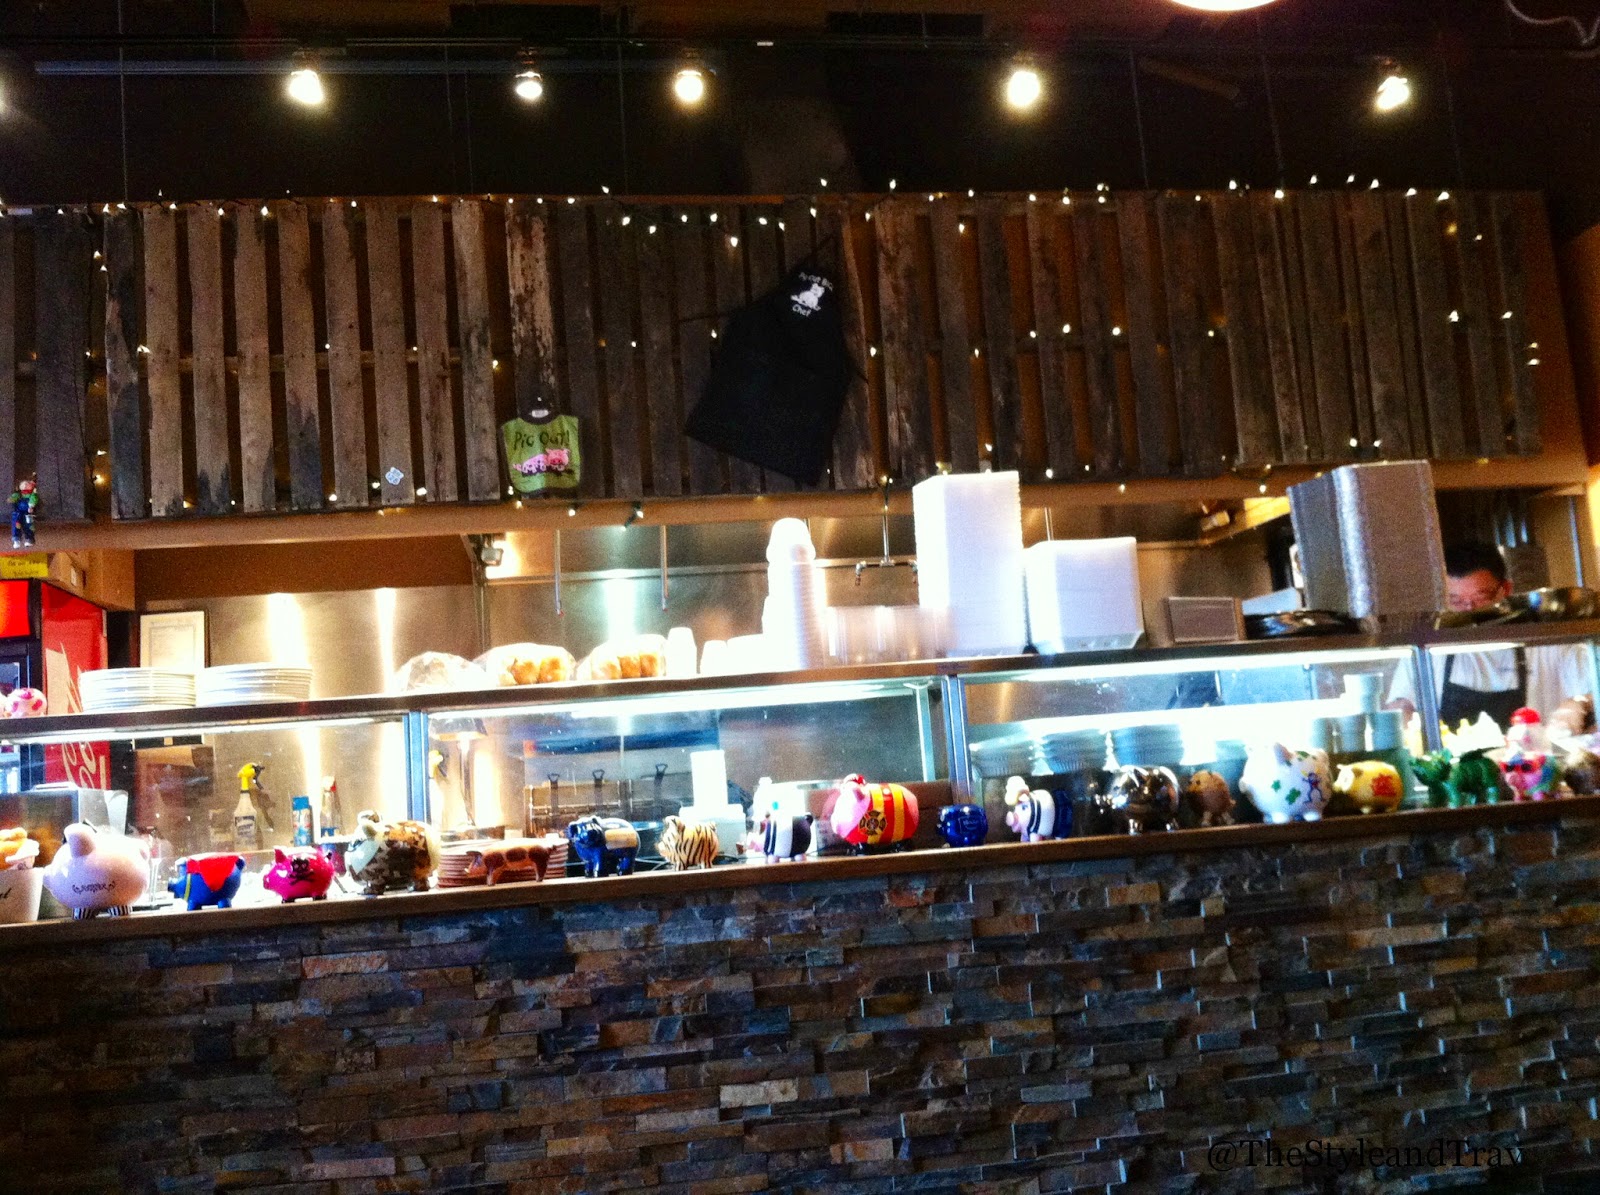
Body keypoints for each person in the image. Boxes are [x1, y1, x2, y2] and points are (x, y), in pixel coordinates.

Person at [1386, 542, 1594, 729]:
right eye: (1456, 601)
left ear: (1506, 590)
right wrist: (1399, 718)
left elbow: (1592, 690)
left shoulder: (1544, 643)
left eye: (1480, 598)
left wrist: (1580, 703)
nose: (1469, 610)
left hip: (1535, 759)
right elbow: (1402, 703)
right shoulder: (1430, 651)